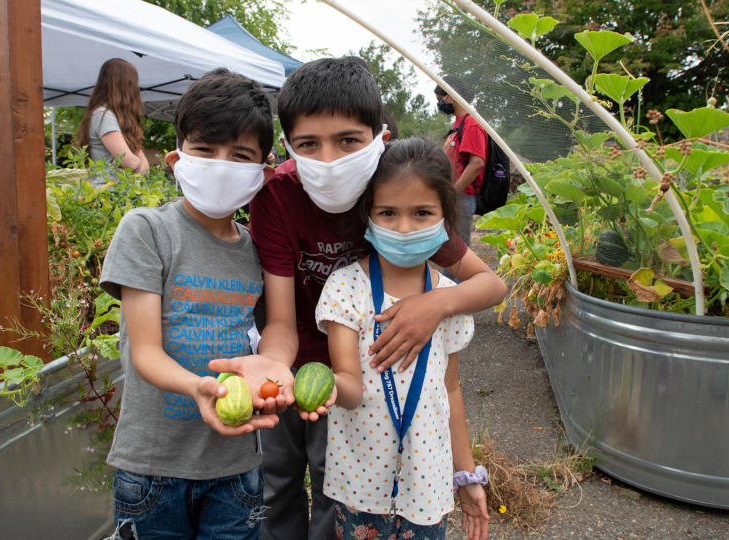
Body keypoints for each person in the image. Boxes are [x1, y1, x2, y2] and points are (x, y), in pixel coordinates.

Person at [208, 57, 507, 540]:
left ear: (377, 139)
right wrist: (272, 366)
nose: (328, 159)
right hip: (292, 364)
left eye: (348, 140)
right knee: (277, 480)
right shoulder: (278, 197)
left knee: (337, 486)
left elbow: (489, 283)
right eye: (308, 144)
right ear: (289, 147)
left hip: (362, 375)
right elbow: (280, 318)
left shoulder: (396, 194)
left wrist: (435, 305)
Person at [98, 68, 279, 540]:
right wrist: (200, 387)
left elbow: (265, 343)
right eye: (206, 149)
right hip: (154, 468)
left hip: (237, 470)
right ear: (178, 158)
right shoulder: (146, 231)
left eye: (239, 155)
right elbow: (146, 353)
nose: (221, 164)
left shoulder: (257, 250)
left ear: (263, 173)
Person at [316, 137, 490, 540]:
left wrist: (466, 476)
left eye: (423, 212)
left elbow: (452, 393)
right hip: (359, 485)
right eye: (388, 213)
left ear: (446, 218)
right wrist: (320, 386)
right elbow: (350, 387)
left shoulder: (449, 301)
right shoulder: (346, 290)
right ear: (369, 215)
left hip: (427, 485)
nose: (405, 227)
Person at [435, 74, 488, 244]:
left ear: (451, 96)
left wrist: (454, 191)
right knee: (448, 245)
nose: (439, 104)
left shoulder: (471, 123)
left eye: (440, 99)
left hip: (463, 196)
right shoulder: (459, 122)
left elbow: (477, 163)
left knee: (457, 248)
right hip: (456, 195)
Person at [76, 58, 149, 177]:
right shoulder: (103, 115)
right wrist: (135, 162)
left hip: (117, 190)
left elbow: (144, 166)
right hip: (106, 191)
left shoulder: (115, 118)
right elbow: (131, 163)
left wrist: (135, 163)